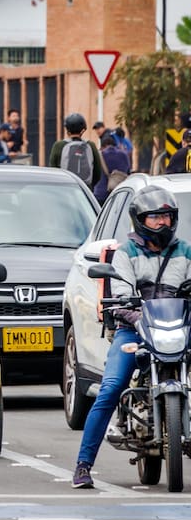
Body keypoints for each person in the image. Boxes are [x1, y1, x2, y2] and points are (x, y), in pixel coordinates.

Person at [72, 186, 191, 488]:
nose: (162, 222)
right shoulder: (126, 253)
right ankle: (83, 465)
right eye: (155, 218)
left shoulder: (185, 251)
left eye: (166, 216)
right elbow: (122, 295)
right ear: (140, 220)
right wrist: (141, 321)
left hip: (179, 326)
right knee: (111, 388)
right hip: (134, 326)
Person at [49, 112, 104, 189]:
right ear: (82, 130)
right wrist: (89, 186)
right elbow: (97, 172)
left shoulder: (58, 145)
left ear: (67, 130)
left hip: (64, 188)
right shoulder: (91, 145)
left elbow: (53, 170)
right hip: (84, 189)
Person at [94, 133, 132, 201]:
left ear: (103, 146)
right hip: (120, 194)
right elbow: (128, 172)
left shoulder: (99, 155)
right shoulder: (124, 155)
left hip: (101, 195)